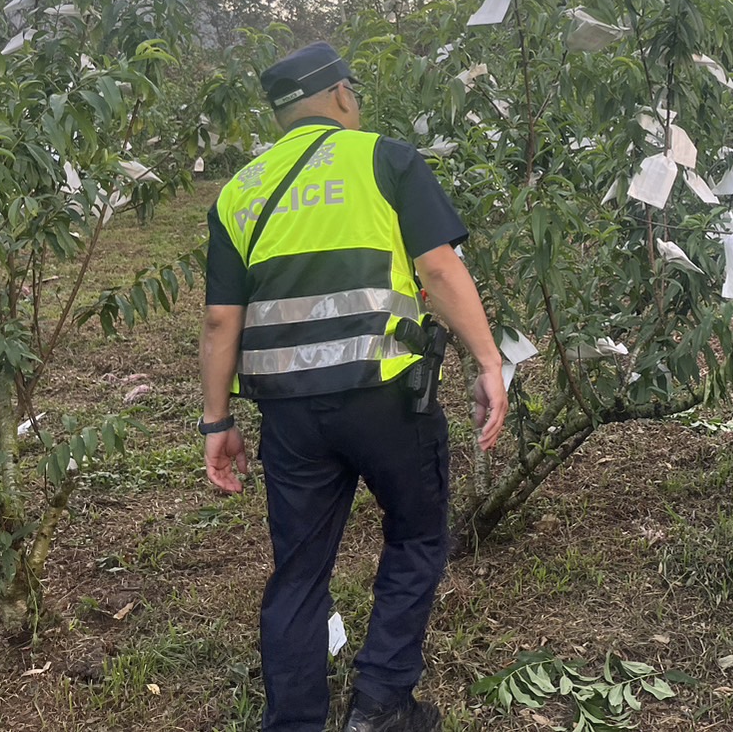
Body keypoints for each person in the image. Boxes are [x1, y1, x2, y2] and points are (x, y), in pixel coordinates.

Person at [197, 41, 509, 732]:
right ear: (341, 94)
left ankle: (295, 722)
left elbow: (222, 319)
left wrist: (217, 423)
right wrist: (488, 361)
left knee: (299, 572)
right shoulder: (384, 157)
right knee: (417, 535)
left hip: (288, 413)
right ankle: (380, 704)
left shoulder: (238, 190)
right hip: (386, 395)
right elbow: (438, 268)